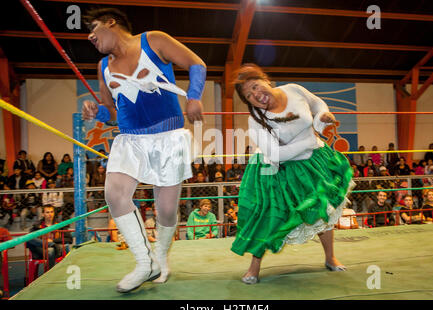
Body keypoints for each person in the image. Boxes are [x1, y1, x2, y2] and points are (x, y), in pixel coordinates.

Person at [82, 7, 205, 292]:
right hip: (130, 139)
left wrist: (195, 97)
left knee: (166, 211)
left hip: (169, 136)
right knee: (114, 194)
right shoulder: (103, 67)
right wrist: (95, 112)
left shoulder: (154, 40)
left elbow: (196, 64)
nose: (90, 36)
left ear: (111, 22)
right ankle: (144, 261)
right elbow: (111, 112)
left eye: (93, 28)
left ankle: (161, 254)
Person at [230, 64, 354, 284]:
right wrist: (309, 140)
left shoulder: (294, 90)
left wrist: (321, 117)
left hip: (312, 160)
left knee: (322, 205)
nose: (256, 95)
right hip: (275, 167)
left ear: (266, 80)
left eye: (256, 87)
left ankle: (330, 257)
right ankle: (254, 267)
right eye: (249, 95)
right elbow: (276, 154)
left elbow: (316, 104)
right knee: (267, 214)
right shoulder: (255, 120)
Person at [26, 205, 73, 269]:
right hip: (41, 249)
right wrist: (48, 243)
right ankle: (51, 245)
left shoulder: (60, 225)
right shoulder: (37, 226)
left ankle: (49, 273)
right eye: (47, 212)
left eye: (51, 212)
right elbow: (29, 241)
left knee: (52, 250)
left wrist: (53, 241)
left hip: (57, 249)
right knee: (28, 237)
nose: (50, 214)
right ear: (43, 214)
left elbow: (69, 239)